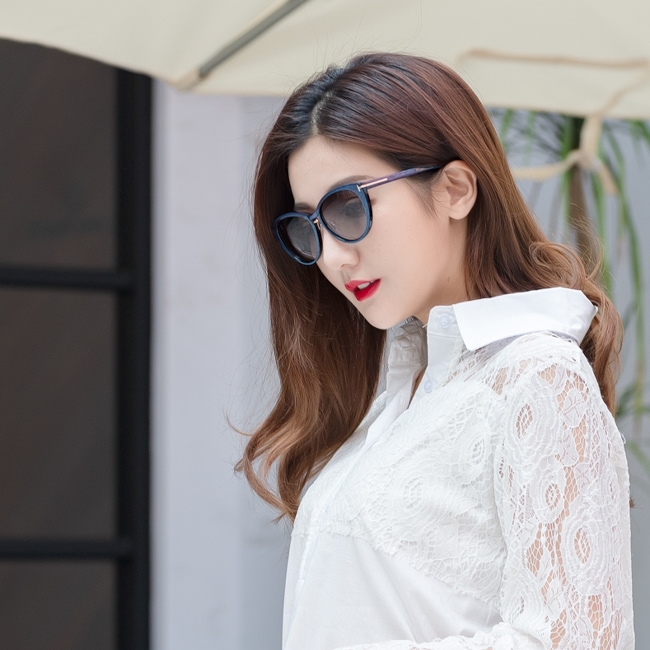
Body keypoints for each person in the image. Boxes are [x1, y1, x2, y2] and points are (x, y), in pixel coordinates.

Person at [237, 52, 634, 649]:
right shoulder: (400, 394)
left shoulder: (538, 376)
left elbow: (577, 641)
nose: (332, 257)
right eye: (308, 226)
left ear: (454, 189)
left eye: (349, 207)